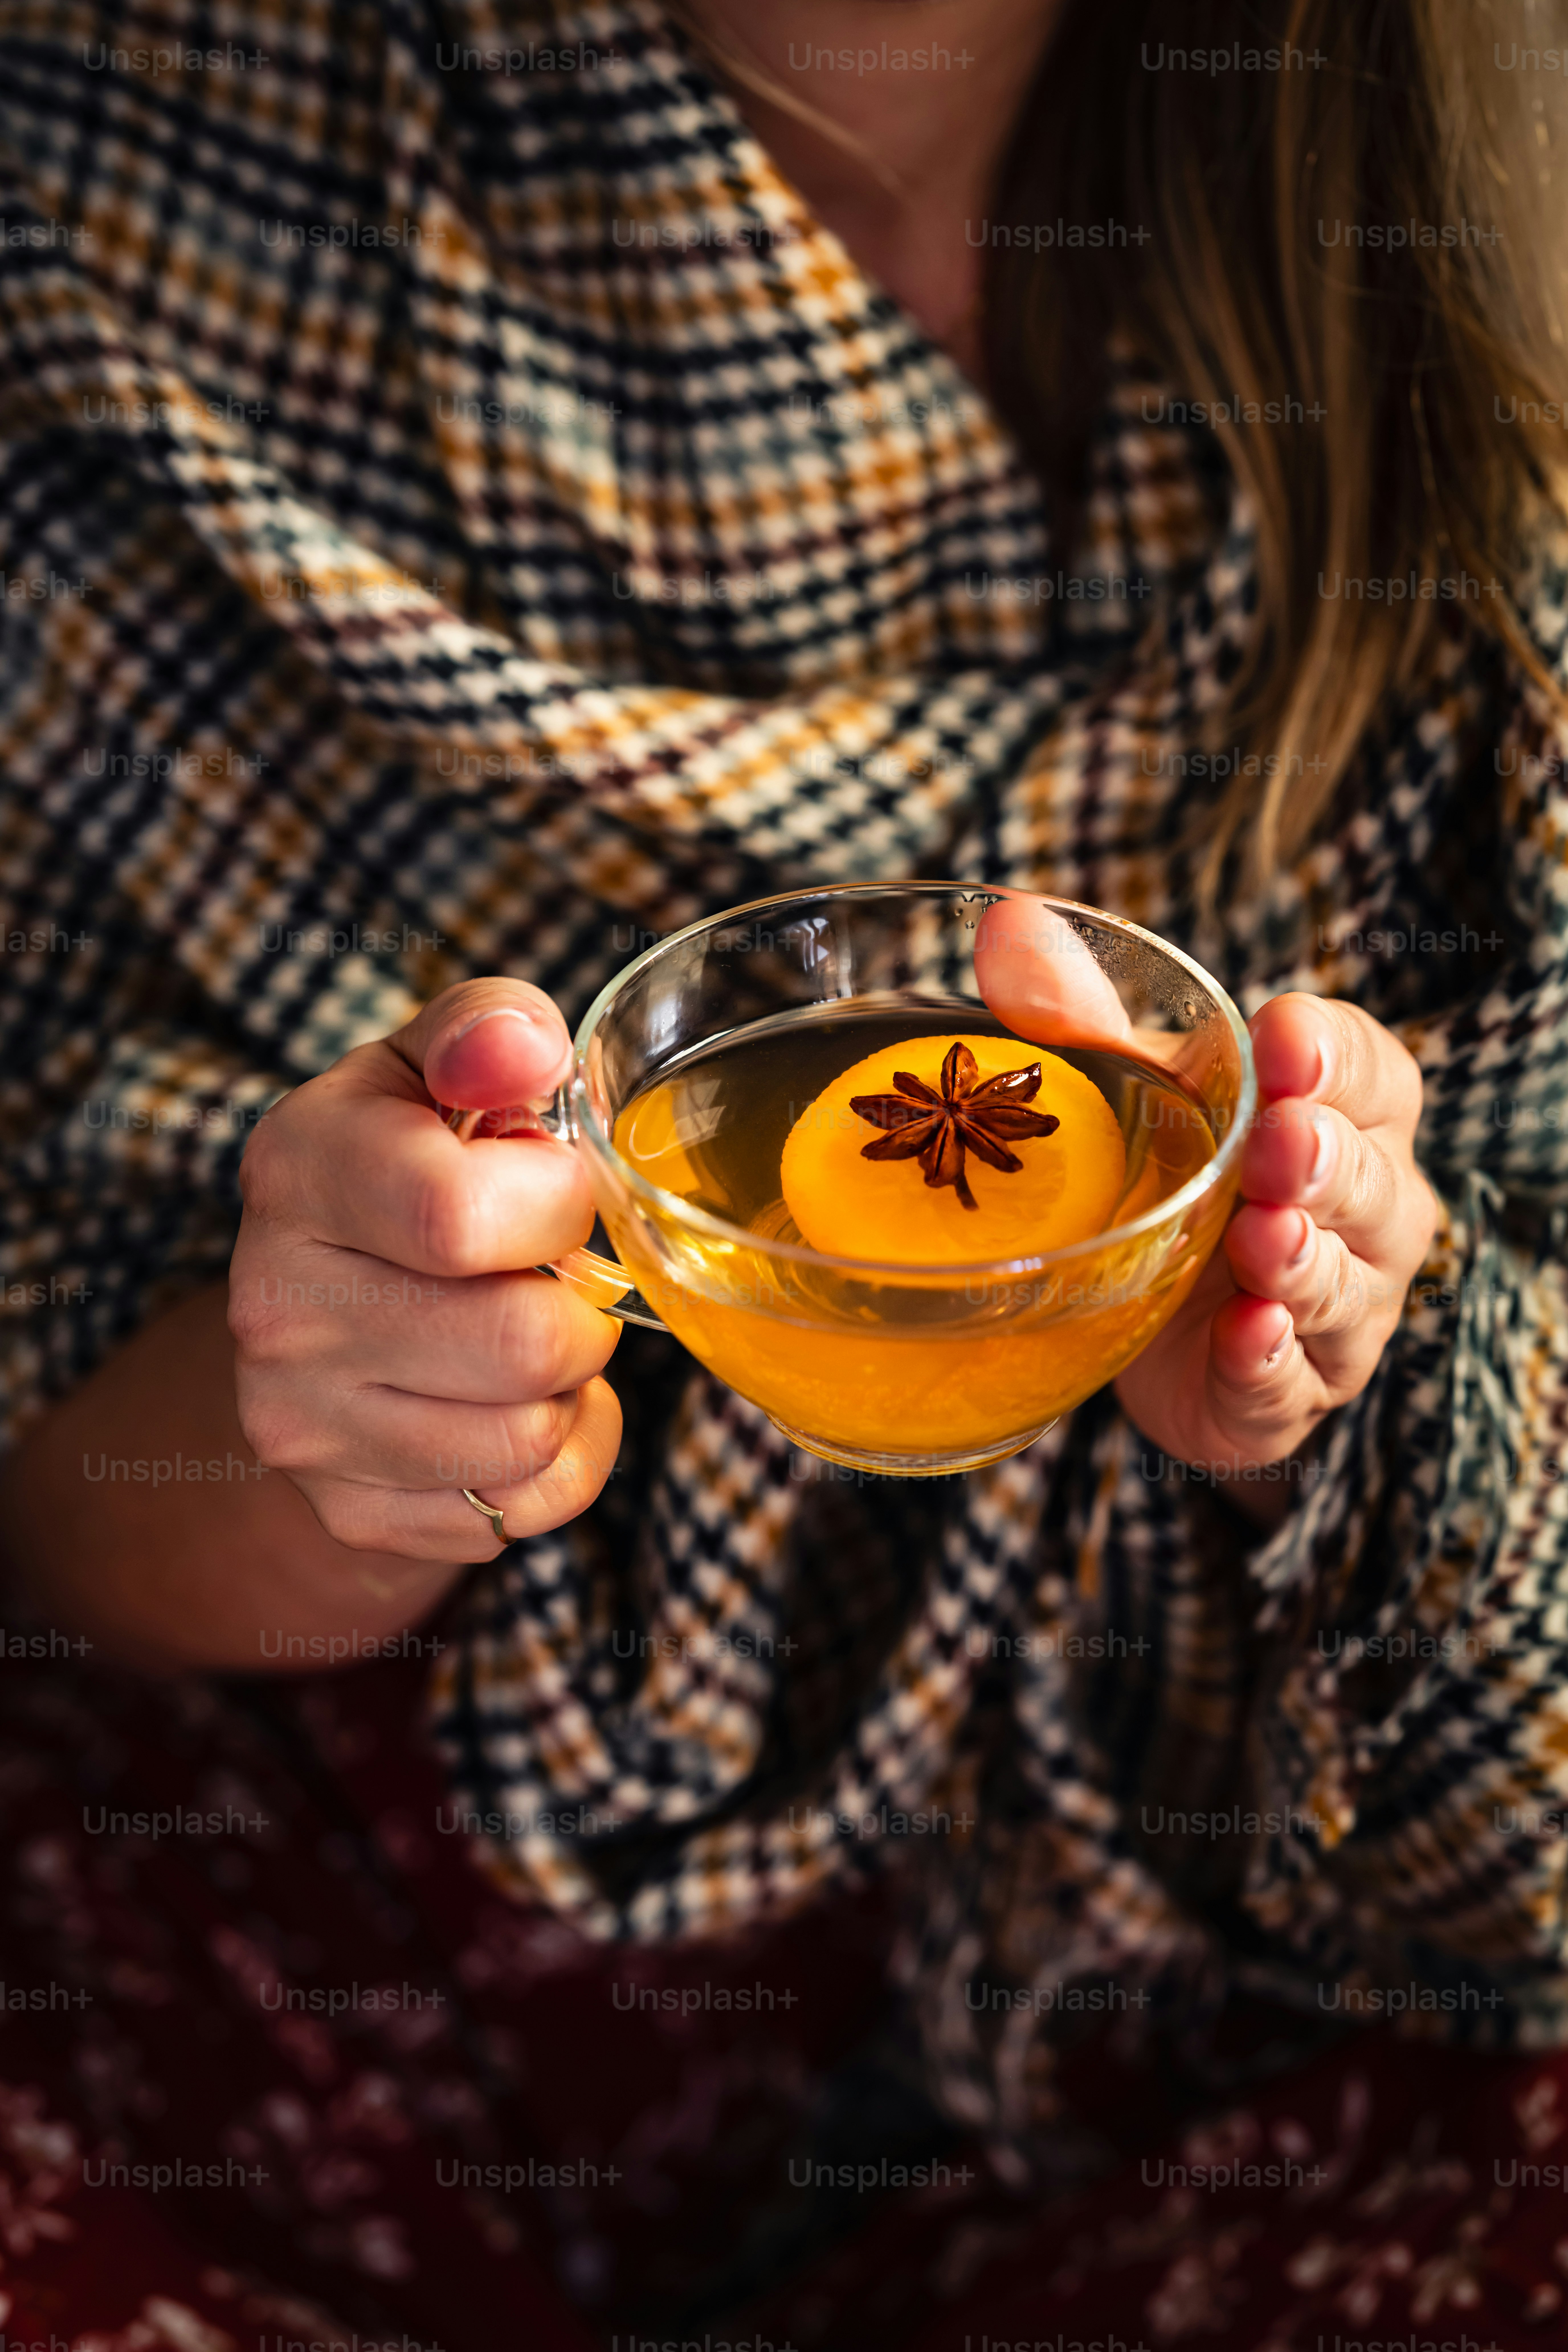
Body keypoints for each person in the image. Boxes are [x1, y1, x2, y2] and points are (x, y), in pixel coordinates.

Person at [1, 0, 1567, 2341]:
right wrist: (352, 1409)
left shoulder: (1477, 256)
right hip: (372, 1958)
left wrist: (1361, 1334)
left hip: (1262, 1928)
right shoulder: (109, 180)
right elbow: (56, 1517)